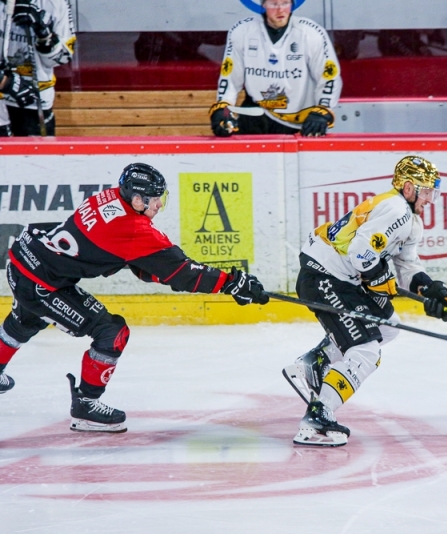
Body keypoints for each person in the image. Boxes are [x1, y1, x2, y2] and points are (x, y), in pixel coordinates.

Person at [0, 163, 270, 433]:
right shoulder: (132, 227)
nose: (160, 205)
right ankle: (86, 406)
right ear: (138, 199)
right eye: (156, 199)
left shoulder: (111, 197)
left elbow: (137, 261)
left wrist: (164, 274)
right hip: (40, 282)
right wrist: (232, 283)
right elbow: (182, 272)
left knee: (25, 321)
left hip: (26, 258)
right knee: (111, 332)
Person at [282, 156, 447, 447]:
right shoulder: (396, 209)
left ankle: (315, 362)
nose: (430, 199)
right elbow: (361, 253)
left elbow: (406, 268)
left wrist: (431, 290)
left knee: (388, 327)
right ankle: (318, 417)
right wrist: (376, 278)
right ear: (409, 188)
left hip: (337, 278)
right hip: (325, 276)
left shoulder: (410, 221)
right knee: (365, 350)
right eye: (426, 191)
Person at [209, 0, 342, 137]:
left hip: (298, 121)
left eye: (285, 3)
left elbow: (329, 77)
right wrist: (223, 108)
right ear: (263, 5)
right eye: (274, 3)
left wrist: (323, 110)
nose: (280, 10)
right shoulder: (242, 31)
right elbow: (230, 78)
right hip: (256, 114)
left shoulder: (310, 33)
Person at [0, 0, 75, 136]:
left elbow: (63, 58)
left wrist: (45, 36)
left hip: (33, 101)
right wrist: (5, 81)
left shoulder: (55, 3)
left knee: (34, 155)